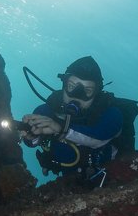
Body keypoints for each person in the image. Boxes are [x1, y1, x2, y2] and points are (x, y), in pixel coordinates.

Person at [20, 56, 123, 186]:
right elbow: (34, 142)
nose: (77, 95)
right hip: (68, 179)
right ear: (64, 84)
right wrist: (32, 135)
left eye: (87, 90)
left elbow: (98, 139)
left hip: (108, 177)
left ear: (97, 93)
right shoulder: (46, 111)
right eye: (72, 86)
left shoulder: (112, 114)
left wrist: (61, 129)